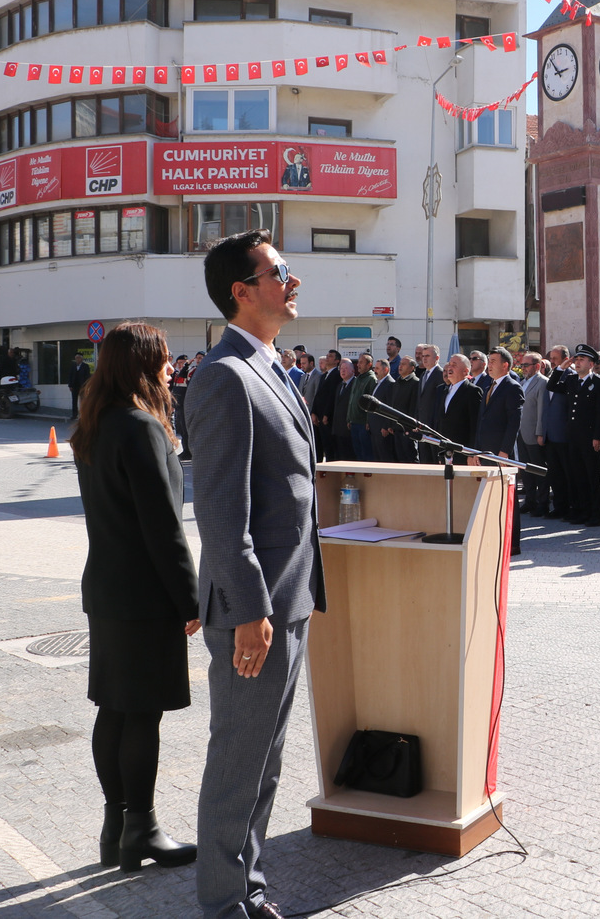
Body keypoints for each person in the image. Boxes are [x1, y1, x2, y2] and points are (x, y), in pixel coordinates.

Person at [183, 230, 325, 919]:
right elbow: (220, 511)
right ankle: (220, 904)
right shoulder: (223, 375)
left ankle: (250, 888)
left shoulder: (272, 366)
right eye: (279, 272)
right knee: (238, 761)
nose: (292, 280)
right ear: (242, 291)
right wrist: (247, 610)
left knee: (265, 762)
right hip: (255, 610)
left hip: (288, 598)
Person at [73, 321, 200, 874]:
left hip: (107, 587)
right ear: (144, 365)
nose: (171, 368)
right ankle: (141, 830)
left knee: (115, 709)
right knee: (141, 714)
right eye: (165, 360)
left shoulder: (96, 424)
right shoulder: (142, 427)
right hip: (146, 595)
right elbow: (164, 528)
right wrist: (191, 600)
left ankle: (116, 825)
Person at [547, 344, 600, 526]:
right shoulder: (572, 380)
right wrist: (560, 369)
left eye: (582, 360)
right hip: (572, 437)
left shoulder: (597, 383)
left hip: (590, 437)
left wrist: (598, 436)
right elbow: (552, 385)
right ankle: (581, 510)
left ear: (591, 364)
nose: (577, 362)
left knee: (592, 476)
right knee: (577, 476)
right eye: (577, 359)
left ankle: (596, 514)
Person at [472, 347, 525, 553]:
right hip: (486, 451)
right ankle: (496, 539)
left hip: (501, 454)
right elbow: (481, 422)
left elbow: (514, 422)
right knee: (492, 498)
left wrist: (505, 452)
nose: (489, 364)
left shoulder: (512, 387)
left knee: (507, 499)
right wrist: (476, 451)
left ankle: (513, 544)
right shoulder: (489, 387)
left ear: (505, 365)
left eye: (493, 360)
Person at [542, 346, 574, 518]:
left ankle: (570, 507)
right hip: (551, 435)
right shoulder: (551, 377)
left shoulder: (571, 376)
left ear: (566, 359)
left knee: (567, 474)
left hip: (565, 435)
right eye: (551, 358)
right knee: (555, 474)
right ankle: (559, 507)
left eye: (555, 358)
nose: (552, 361)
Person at [517, 352, 550, 515]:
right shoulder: (523, 382)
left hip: (534, 434)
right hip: (521, 433)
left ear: (537, 366)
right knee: (525, 470)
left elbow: (542, 410)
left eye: (526, 365)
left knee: (538, 470)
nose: (523, 368)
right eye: (522, 365)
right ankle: (530, 500)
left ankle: (542, 503)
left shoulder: (542, 383)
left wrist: (540, 433)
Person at [437, 353, 482, 449]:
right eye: (449, 364)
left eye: (454, 365)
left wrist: (472, 452)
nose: (449, 368)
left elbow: (475, 425)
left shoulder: (472, 391)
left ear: (465, 372)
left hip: (463, 451)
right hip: (444, 450)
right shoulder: (444, 391)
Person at [415, 343, 447, 464]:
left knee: (434, 460)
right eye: (423, 356)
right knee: (424, 460)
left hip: (433, 428)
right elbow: (420, 401)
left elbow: (438, 404)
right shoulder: (423, 375)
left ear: (437, 358)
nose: (424, 358)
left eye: (427, 355)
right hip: (422, 426)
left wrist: (434, 429)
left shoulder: (440, 374)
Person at [308, 350, 342, 463]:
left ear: (337, 361)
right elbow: (318, 396)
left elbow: (332, 396)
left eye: (331, 356)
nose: (327, 358)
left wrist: (327, 414)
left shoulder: (337, 375)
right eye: (327, 356)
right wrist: (313, 412)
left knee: (330, 448)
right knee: (319, 446)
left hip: (328, 418)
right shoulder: (324, 376)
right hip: (319, 417)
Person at [345, 354, 378, 461]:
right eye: (358, 362)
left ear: (369, 364)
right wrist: (349, 418)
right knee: (358, 453)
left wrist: (369, 421)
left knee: (366, 454)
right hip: (354, 422)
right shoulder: (358, 378)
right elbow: (352, 399)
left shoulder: (371, 379)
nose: (358, 365)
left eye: (361, 362)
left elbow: (372, 403)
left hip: (363, 423)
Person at [390, 355, 422, 463]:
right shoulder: (397, 382)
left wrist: (410, 426)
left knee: (410, 458)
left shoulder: (416, 383)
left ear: (412, 368)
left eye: (403, 364)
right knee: (400, 458)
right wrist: (391, 424)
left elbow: (414, 407)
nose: (400, 366)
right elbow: (392, 405)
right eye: (400, 364)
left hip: (408, 429)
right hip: (396, 428)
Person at [367, 358, 399, 462]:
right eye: (374, 368)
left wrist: (386, 426)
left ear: (385, 370)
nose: (374, 370)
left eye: (377, 368)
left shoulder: (390, 383)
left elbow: (390, 406)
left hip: (382, 428)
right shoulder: (378, 383)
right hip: (374, 427)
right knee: (377, 457)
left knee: (385, 457)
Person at [330, 358, 356, 461]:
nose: (343, 371)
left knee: (349, 456)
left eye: (345, 368)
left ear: (353, 371)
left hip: (348, 427)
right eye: (341, 369)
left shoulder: (355, 384)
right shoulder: (340, 385)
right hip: (338, 428)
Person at [69, 352, 93, 419]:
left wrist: (86, 386)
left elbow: (87, 377)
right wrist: (70, 385)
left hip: (82, 386)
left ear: (81, 359)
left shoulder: (85, 366)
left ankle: (83, 415)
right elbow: (70, 376)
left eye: (78, 358)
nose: (77, 359)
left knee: (83, 401)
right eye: (76, 358)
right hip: (74, 386)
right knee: (74, 401)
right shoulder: (73, 366)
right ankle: (74, 414)